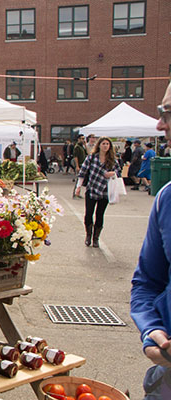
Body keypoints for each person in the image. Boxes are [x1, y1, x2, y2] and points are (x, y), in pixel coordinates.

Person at [129, 80, 171, 399]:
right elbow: (147, 282)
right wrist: (151, 330)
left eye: (167, 112)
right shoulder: (166, 199)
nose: (159, 123)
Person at [74, 137, 119, 248]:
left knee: (100, 214)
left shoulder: (113, 160)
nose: (105, 146)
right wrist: (78, 187)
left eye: (107, 144)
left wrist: (112, 173)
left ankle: (96, 238)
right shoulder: (91, 158)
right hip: (92, 188)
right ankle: (88, 235)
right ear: (99, 145)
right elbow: (83, 172)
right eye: (103, 143)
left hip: (105, 190)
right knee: (88, 213)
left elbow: (119, 172)